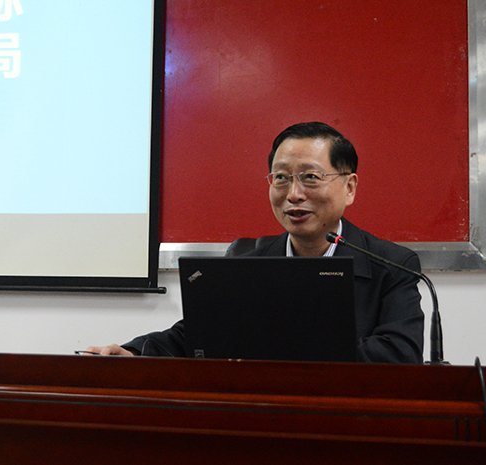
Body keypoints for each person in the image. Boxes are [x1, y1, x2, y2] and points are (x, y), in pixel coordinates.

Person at [86, 122, 424, 363]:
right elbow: (196, 336)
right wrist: (134, 351)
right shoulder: (248, 263)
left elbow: (400, 353)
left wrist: (280, 350)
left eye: (310, 177)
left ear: (349, 188)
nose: (294, 194)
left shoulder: (392, 266)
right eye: (281, 178)